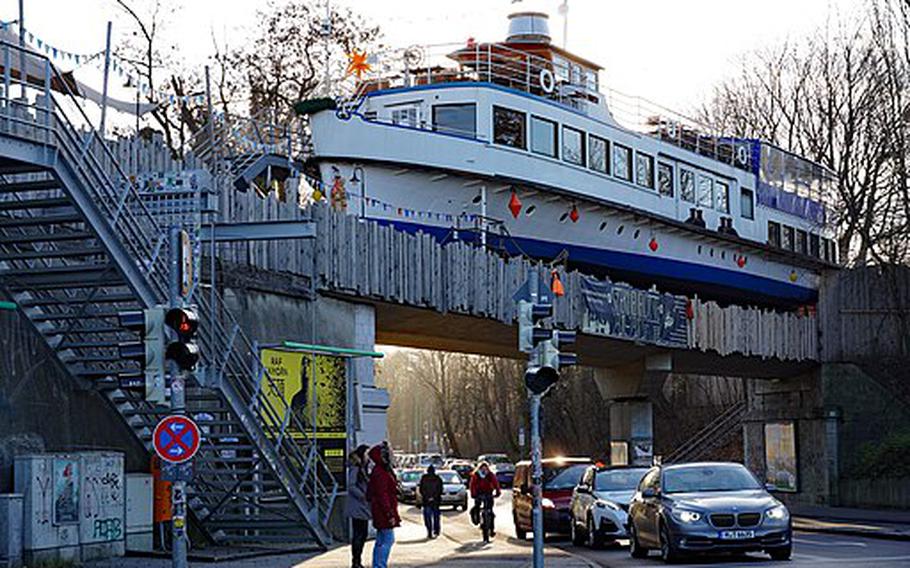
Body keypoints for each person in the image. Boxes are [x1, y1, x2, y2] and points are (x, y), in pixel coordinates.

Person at [367, 441, 400, 568]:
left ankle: (378, 564)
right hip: (383, 511)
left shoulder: (378, 471)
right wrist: (389, 513)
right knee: (388, 540)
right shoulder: (381, 472)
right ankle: (380, 565)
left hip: (380, 510)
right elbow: (383, 495)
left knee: (381, 540)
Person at [345, 444, 371, 568]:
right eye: (366, 454)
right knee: (360, 534)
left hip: (361, 506)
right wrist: (363, 496)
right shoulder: (356, 468)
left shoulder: (362, 467)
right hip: (358, 506)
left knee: (361, 534)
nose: (368, 457)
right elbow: (351, 485)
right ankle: (356, 562)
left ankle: (357, 561)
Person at [469, 461, 501, 536]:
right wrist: (473, 494)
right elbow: (472, 485)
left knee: (490, 512)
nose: (484, 470)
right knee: (477, 506)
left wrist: (497, 491)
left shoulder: (490, 475)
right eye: (482, 468)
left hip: (488, 493)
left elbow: (495, 482)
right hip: (479, 494)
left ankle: (491, 529)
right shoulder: (476, 475)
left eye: (485, 468)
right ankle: (477, 518)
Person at [418, 465, 443, 538]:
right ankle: (436, 530)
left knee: (427, 517)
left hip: (426, 501)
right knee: (436, 517)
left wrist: (427, 497)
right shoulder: (438, 478)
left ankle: (429, 531)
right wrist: (434, 497)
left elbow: (421, 489)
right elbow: (440, 490)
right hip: (435, 501)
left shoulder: (424, 478)